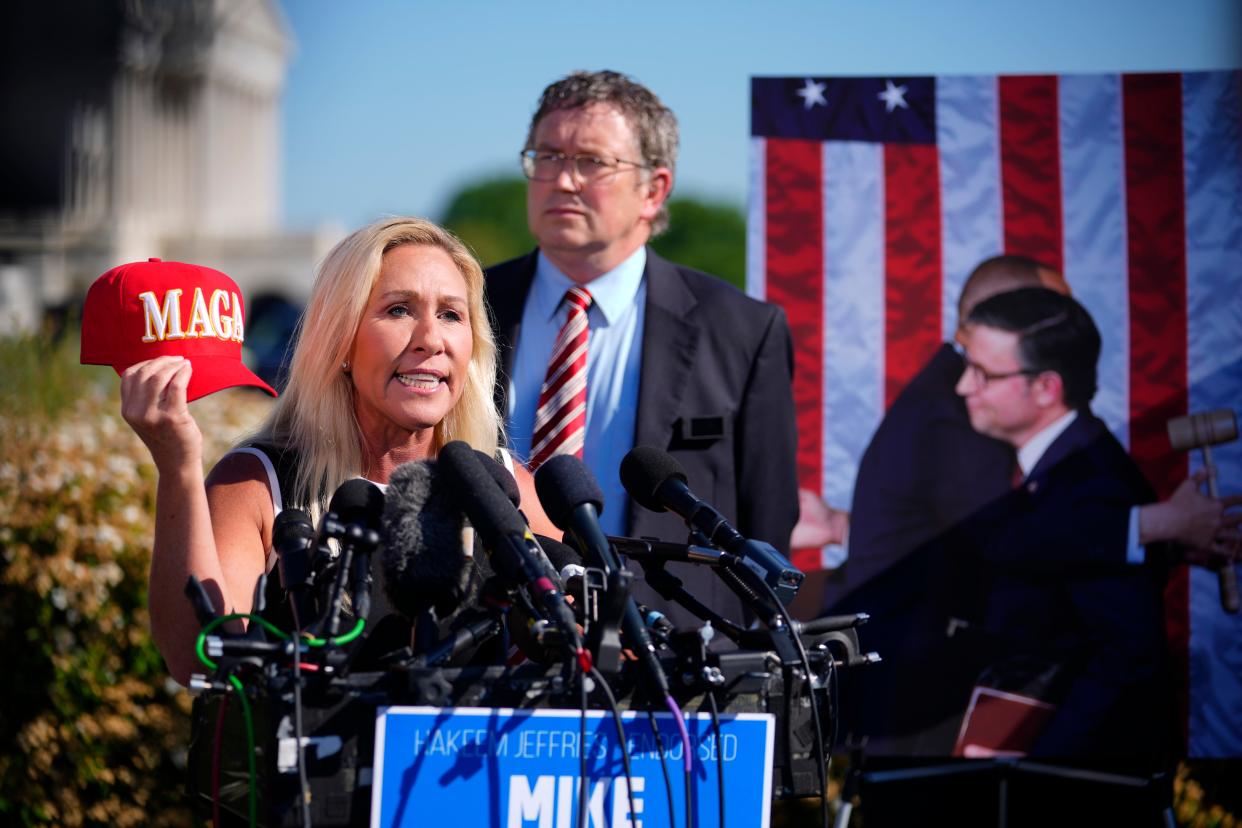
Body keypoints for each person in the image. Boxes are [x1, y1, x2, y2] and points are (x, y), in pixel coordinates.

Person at [121, 217, 556, 685]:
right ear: (341, 340)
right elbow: (198, 658)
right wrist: (178, 467)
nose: (431, 339)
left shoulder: (502, 485)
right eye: (399, 310)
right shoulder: (257, 483)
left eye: (451, 314)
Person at [485, 70, 798, 629]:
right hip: (489, 642)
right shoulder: (463, 307)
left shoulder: (743, 331)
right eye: (548, 156)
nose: (563, 180)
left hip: (668, 660)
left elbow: (767, 525)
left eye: (592, 162)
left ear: (654, 190)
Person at [955, 288, 1240, 762]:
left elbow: (1128, 657)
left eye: (984, 373)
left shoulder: (1093, 482)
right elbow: (1021, 545)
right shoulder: (1055, 466)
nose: (965, 386)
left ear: (1046, 387)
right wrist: (1155, 531)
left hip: (1087, 779)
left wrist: (1032, 763)